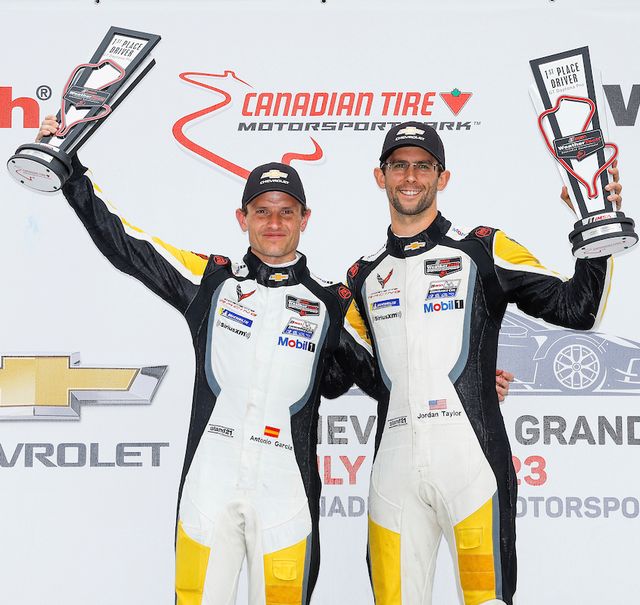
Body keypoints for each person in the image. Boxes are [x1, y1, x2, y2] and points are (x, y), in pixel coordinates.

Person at [36, 116, 512, 605]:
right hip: (208, 488)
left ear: (305, 218)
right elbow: (129, 248)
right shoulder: (212, 282)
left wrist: (473, 378)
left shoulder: (332, 302)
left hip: (286, 500)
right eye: (262, 212)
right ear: (242, 218)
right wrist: (71, 175)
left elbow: (387, 370)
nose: (275, 224)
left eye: (287, 212)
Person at [343, 121, 619, 605]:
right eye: (399, 165)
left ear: (442, 177)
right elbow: (362, 371)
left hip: (473, 470)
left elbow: (579, 310)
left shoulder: (483, 249)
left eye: (423, 166)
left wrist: (594, 220)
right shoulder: (362, 275)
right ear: (380, 176)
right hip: (393, 479)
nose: (411, 176)